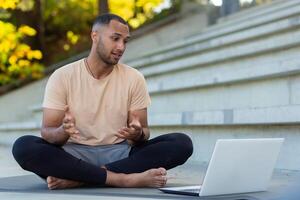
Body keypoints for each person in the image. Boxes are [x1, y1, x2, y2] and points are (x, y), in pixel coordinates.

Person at [12, 13, 193, 190]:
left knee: (181, 143)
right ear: (95, 36)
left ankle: (80, 179)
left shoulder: (134, 78)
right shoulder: (62, 76)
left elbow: (144, 132)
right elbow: (48, 133)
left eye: (125, 41)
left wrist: (137, 134)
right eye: (115, 38)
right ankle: (124, 180)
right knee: (23, 147)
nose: (121, 47)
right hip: (73, 154)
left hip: (120, 153)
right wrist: (63, 131)